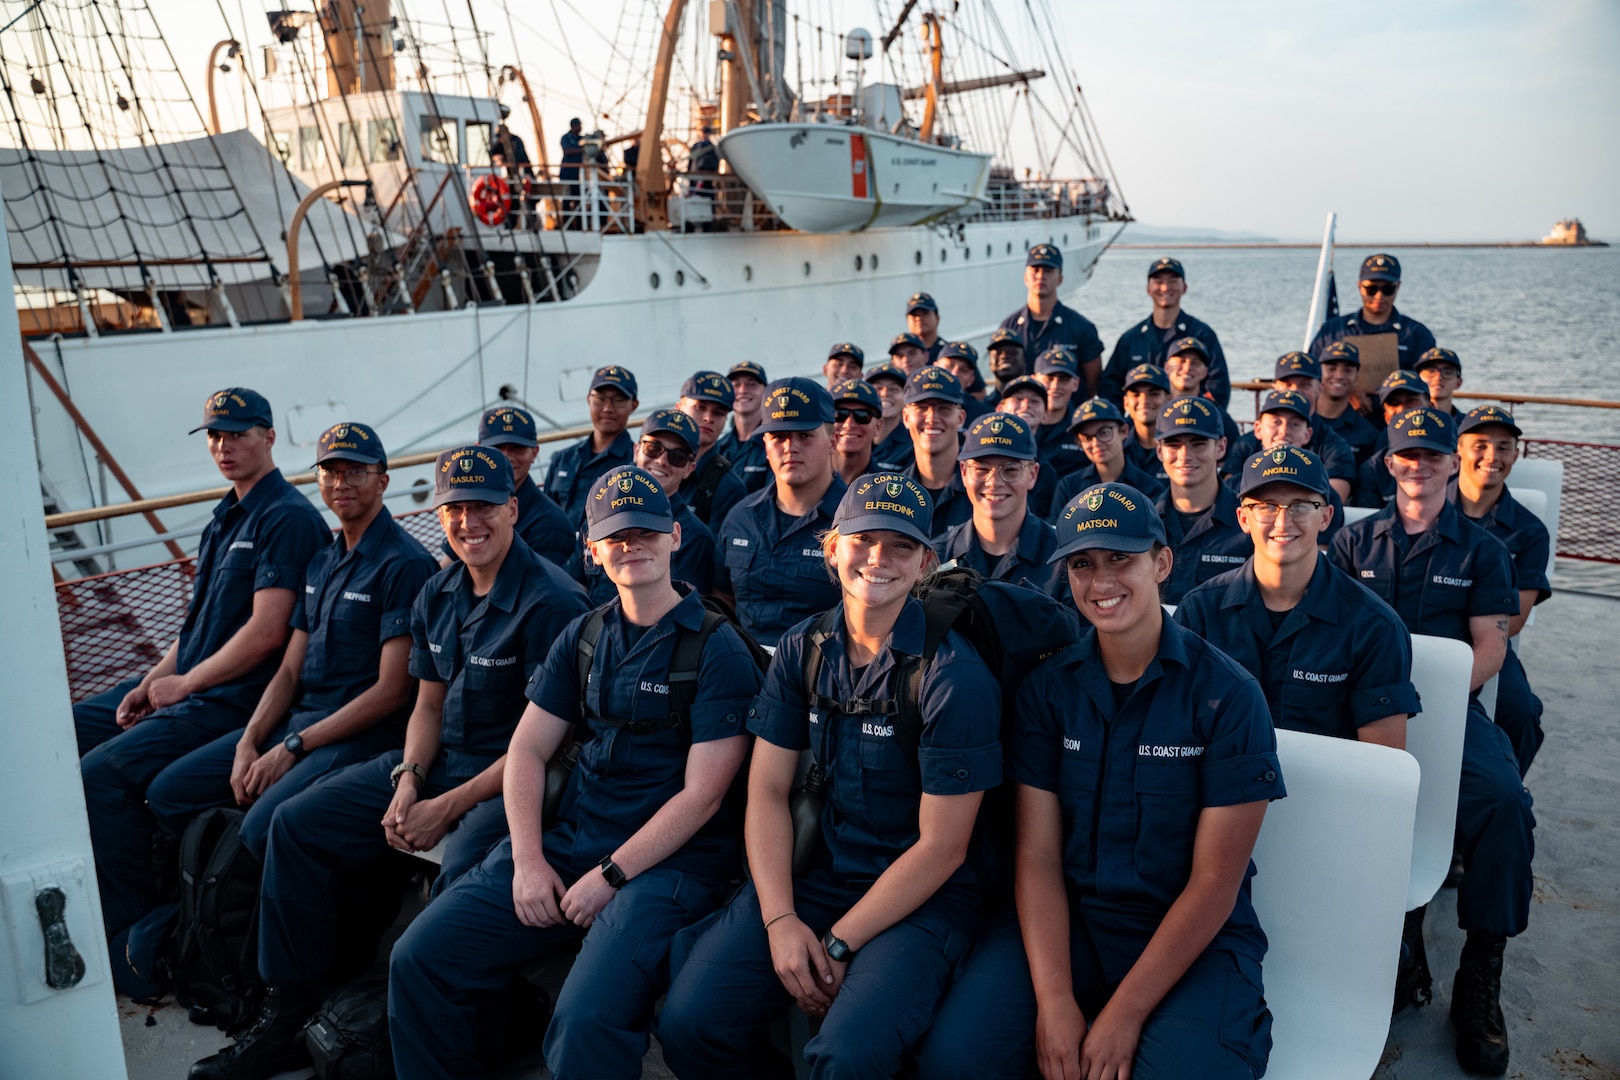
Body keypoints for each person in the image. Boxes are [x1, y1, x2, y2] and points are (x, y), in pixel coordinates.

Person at [189, 447, 590, 1080]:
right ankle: (292, 1008)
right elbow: (426, 707)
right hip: (440, 764)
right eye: (454, 507)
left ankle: (475, 1031)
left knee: (459, 877)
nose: (469, 521)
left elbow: (539, 745)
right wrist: (407, 783)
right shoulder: (439, 589)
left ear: (513, 509)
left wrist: (446, 807)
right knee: (296, 825)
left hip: (512, 780)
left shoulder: (554, 603)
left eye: (484, 505)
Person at [388, 465, 761, 1080]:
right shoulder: (584, 634)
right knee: (422, 957)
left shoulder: (715, 649)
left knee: (585, 1022)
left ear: (674, 536)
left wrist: (610, 876)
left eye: (645, 531)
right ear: (592, 550)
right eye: (615, 536)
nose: (631, 546)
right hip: (574, 840)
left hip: (667, 867)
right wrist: (530, 860)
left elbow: (701, 797)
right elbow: (528, 750)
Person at [914, 481, 1284, 1080]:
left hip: (1188, 938)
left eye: (1122, 559)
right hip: (1074, 921)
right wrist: (1056, 1001)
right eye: (1083, 564)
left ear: (1162, 562)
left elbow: (1215, 881)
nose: (1101, 581)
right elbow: (1036, 856)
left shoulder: (1227, 696)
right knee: (955, 1060)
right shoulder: (1047, 691)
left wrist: (1124, 1015)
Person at [657, 473, 1002, 1078]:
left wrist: (837, 942)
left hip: (921, 899)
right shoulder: (803, 647)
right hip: (820, 872)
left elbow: (943, 849)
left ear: (925, 562)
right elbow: (765, 791)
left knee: (845, 1056)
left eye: (900, 545)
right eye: (864, 539)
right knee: (691, 1023)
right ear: (832, 547)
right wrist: (781, 920)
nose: (878, 558)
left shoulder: (952, 678)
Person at [1328, 408, 1536, 1077]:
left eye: (1432, 455)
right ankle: (1383, 946)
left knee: (1505, 802)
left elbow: (1490, 643)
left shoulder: (1484, 550)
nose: (1418, 465)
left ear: (1453, 463)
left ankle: (1481, 972)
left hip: (1448, 712)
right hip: (1357, 709)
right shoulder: (1353, 545)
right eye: (1405, 455)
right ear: (1388, 464)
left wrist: (1445, 703)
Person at [77, 388, 328, 940]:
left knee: (101, 775)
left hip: (229, 699)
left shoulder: (285, 519)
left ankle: (138, 930)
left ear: (268, 437)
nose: (224, 445)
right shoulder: (226, 517)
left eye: (238, 433)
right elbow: (196, 628)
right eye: (215, 434)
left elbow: (266, 635)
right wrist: (152, 680)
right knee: (71, 725)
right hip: (189, 683)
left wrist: (184, 684)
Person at [144, 423, 436, 865]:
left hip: (357, 736)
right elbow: (288, 671)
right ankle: (198, 916)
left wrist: (291, 748)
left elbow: (391, 692)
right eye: (330, 472)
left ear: (383, 481)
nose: (341, 484)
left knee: (263, 827)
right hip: (298, 723)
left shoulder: (405, 564)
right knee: (169, 791)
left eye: (355, 472)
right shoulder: (321, 561)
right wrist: (250, 740)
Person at [1176, 446, 1418, 745]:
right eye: (1266, 506)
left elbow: (1382, 760)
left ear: (1327, 517)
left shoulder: (1375, 627)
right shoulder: (1200, 612)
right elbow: (1178, 730)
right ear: (1243, 518)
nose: (1282, 521)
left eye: (1301, 505)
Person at [1453, 406, 1551, 776]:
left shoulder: (1529, 532)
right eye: (1480, 445)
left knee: (1522, 712)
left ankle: (1508, 788)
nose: (1492, 456)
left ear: (1515, 454)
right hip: (1419, 633)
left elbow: (1514, 621)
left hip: (1485, 642)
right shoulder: (1423, 510)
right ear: (1459, 449)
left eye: (1504, 447)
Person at [712, 378, 846, 647]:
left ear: (833, 441)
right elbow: (721, 598)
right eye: (778, 436)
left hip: (822, 676)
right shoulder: (740, 518)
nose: (790, 447)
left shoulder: (855, 521)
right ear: (765, 443)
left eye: (805, 436)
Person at [570, 410, 716, 603]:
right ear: (637, 450)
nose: (661, 461)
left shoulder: (696, 538)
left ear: (690, 469)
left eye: (678, 456)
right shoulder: (602, 508)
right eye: (653, 448)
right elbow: (577, 583)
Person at [933, 412, 1061, 596]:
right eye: (981, 469)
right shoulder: (937, 557)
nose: (994, 482)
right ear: (964, 473)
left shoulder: (1063, 560)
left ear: (1032, 475)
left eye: (1010, 469)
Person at [442, 407, 574, 568]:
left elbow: (543, 586)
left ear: (534, 453)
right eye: (497, 448)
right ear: (477, 449)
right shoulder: (468, 513)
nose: (506, 457)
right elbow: (447, 565)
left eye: (517, 448)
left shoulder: (551, 527)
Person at [1100, 257, 1231, 407]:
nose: (1165, 287)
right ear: (1148, 289)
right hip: (1143, 422)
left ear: (1185, 288)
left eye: (1173, 281)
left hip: (1188, 422)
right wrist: (1123, 424)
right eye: (1158, 281)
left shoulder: (1202, 335)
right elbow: (1110, 387)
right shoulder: (1131, 339)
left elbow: (1218, 387)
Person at [1154, 397, 1249, 605]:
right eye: (1173, 444)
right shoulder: (1143, 522)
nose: (1185, 455)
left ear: (1221, 447)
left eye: (1198, 444)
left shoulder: (1250, 525)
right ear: (1159, 450)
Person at [999, 244, 1105, 396]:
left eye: (1048, 271)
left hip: (1069, 415)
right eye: (1035, 270)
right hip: (1023, 413)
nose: (1041, 276)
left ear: (1060, 279)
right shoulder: (1010, 326)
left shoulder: (1081, 327)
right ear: (1025, 278)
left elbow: (1093, 381)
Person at [544, 365, 638, 527]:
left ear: (634, 405)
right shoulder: (562, 459)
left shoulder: (634, 465)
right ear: (589, 399)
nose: (608, 408)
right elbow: (545, 514)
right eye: (600, 399)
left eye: (619, 400)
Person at [1308, 253, 1437, 371]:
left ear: (1398, 286)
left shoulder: (1417, 335)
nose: (1379, 296)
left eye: (1388, 289)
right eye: (1371, 289)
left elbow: (1428, 381)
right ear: (1359, 286)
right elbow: (1311, 374)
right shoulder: (1331, 331)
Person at [1225, 387, 1355, 501]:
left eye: (1295, 424)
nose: (1284, 431)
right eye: (1276, 422)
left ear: (1307, 434)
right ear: (1258, 429)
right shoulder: (1233, 486)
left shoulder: (1325, 492)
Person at [1051, 397, 1167, 515]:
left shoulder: (1149, 488)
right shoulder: (1068, 487)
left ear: (1123, 431)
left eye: (1104, 432)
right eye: (1087, 438)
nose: (1096, 443)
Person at [901, 365, 974, 540]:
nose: (932, 418)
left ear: (961, 418)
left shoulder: (984, 491)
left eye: (944, 408)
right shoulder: (895, 493)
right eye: (921, 408)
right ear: (906, 418)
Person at [677, 371, 748, 527]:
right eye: (700, 407)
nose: (708, 418)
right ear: (679, 408)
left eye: (718, 413)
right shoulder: (653, 465)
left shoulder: (729, 487)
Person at [1354, 370, 1431, 508]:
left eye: (1411, 401)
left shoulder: (1452, 456)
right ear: (1386, 417)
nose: (1403, 410)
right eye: (1394, 404)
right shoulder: (1373, 469)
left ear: (1430, 408)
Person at [1162, 336, 1241, 445]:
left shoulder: (1217, 415)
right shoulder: (1154, 409)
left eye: (1195, 363)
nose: (1187, 368)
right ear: (1166, 367)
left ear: (1205, 372)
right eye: (1181, 361)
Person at [1313, 340, 1382, 465]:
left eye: (1348, 370)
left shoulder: (1368, 434)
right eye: (1331, 368)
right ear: (1319, 373)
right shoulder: (1300, 422)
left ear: (1356, 378)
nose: (1339, 376)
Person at [1032, 346, 1090, 478]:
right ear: (1034, 380)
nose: (1055, 386)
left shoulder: (1085, 430)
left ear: (1075, 384)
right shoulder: (1018, 427)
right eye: (1049, 378)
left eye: (1064, 379)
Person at [716, 360, 771, 493]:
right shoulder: (718, 448)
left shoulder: (774, 444)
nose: (743, 390)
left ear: (765, 392)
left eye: (752, 384)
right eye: (736, 385)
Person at [1121, 363, 1173, 478]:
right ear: (1126, 403)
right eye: (1136, 394)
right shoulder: (1114, 447)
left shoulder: (1181, 449)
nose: (1144, 400)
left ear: (1169, 400)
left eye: (1154, 394)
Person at [830, 378, 882, 484]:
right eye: (839, 414)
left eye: (862, 415)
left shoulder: (886, 489)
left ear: (878, 426)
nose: (849, 424)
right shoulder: (802, 481)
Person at [865, 362, 915, 471]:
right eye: (878, 388)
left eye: (894, 389)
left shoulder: (914, 445)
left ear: (906, 398)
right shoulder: (851, 437)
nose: (885, 393)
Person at [936, 340, 992, 421]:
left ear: (971, 379)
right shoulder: (914, 403)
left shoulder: (984, 415)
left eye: (964, 370)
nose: (955, 373)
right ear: (935, 367)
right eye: (950, 365)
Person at [1416, 347, 1466, 419]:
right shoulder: (1405, 423)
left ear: (1459, 383)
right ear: (1418, 379)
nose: (1438, 377)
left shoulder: (1468, 426)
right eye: (1430, 371)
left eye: (1447, 372)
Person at [983, 328, 1027, 406]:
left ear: (1024, 360)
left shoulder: (1036, 406)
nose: (1004, 356)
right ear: (990, 363)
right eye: (998, 352)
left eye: (1011, 351)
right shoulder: (981, 409)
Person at [560, 118, 585, 229]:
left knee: (579, 199)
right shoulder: (565, 138)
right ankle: (567, 225)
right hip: (567, 173)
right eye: (579, 125)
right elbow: (567, 151)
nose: (580, 127)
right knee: (566, 200)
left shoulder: (582, 139)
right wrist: (581, 150)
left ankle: (579, 225)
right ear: (573, 126)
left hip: (578, 174)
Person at [906, 292, 945, 362]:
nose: (919, 318)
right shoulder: (903, 357)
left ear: (937, 318)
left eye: (925, 313)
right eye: (914, 315)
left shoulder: (947, 353)